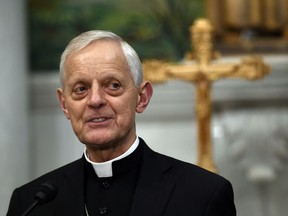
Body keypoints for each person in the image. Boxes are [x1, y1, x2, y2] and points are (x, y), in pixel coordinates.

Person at [7, 30, 236, 216]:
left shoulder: (203, 194)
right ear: (65, 104)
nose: (95, 100)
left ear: (142, 97)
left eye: (113, 85)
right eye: (81, 89)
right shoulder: (31, 204)